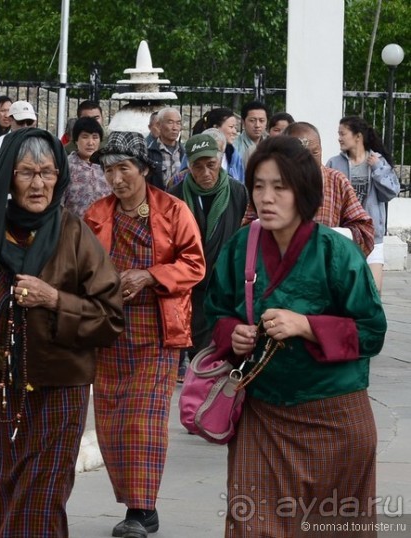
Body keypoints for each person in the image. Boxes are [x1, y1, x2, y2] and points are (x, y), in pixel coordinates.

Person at [0, 128, 124, 537]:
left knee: (41, 498)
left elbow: (110, 317)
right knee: (4, 493)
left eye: (48, 173)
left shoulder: (75, 236)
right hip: (0, 389)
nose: (39, 184)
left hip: (59, 388)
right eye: (27, 173)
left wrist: (55, 299)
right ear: (7, 177)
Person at [204, 135, 387, 537]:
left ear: (303, 193)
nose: (266, 198)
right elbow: (215, 313)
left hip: (334, 415)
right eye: (259, 186)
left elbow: (372, 332)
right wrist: (233, 334)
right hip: (263, 412)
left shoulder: (336, 252)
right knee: (252, 524)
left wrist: (306, 325)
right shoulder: (240, 247)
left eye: (280, 187)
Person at [83, 131, 205, 538]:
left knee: (143, 421)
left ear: (144, 169)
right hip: (109, 331)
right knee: (111, 424)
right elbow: (81, 266)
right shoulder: (97, 213)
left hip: (156, 331)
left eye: (124, 169)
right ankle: (136, 503)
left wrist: (150, 276)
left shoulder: (173, 211)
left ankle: (141, 510)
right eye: (108, 170)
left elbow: (194, 265)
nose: (116, 179)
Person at [168, 133, 248, 381]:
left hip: (225, 286)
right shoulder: (175, 195)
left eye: (211, 165)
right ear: (189, 166)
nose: (205, 173)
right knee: (198, 353)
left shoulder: (238, 192)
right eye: (197, 167)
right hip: (190, 286)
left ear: (220, 160)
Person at [242, 121, 375, 257]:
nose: (308, 161)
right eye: (300, 155)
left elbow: (365, 231)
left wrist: (327, 236)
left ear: (321, 149)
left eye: (315, 153)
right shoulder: (269, 180)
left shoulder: (337, 181)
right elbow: (247, 231)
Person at [327, 115, 400, 292]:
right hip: (345, 234)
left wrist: (377, 168)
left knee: (374, 291)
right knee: (346, 291)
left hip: (373, 235)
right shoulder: (334, 163)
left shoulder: (377, 160)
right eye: (338, 134)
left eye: (343, 134)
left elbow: (392, 191)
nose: (339, 138)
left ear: (358, 136)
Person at [62, 116, 112, 218]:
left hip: (104, 225)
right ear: (76, 140)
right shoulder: (66, 167)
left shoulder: (107, 166)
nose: (90, 143)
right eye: (85, 137)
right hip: (74, 225)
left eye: (95, 137)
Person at [0, 100, 37, 190]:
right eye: (20, 122)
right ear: (10, 120)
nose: (25, 126)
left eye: (29, 122)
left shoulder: (43, 145)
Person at [190, 107, 244, 182]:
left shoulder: (233, 154)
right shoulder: (195, 150)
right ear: (215, 128)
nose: (234, 132)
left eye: (235, 127)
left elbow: (241, 182)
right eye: (231, 127)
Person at [147, 107, 185, 188]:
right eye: (170, 122)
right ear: (159, 125)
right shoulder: (149, 152)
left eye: (178, 123)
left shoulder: (185, 152)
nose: (175, 128)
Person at [233, 101, 269, 168]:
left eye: (261, 120)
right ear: (243, 122)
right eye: (252, 120)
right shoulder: (234, 147)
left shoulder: (270, 145)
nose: (257, 125)